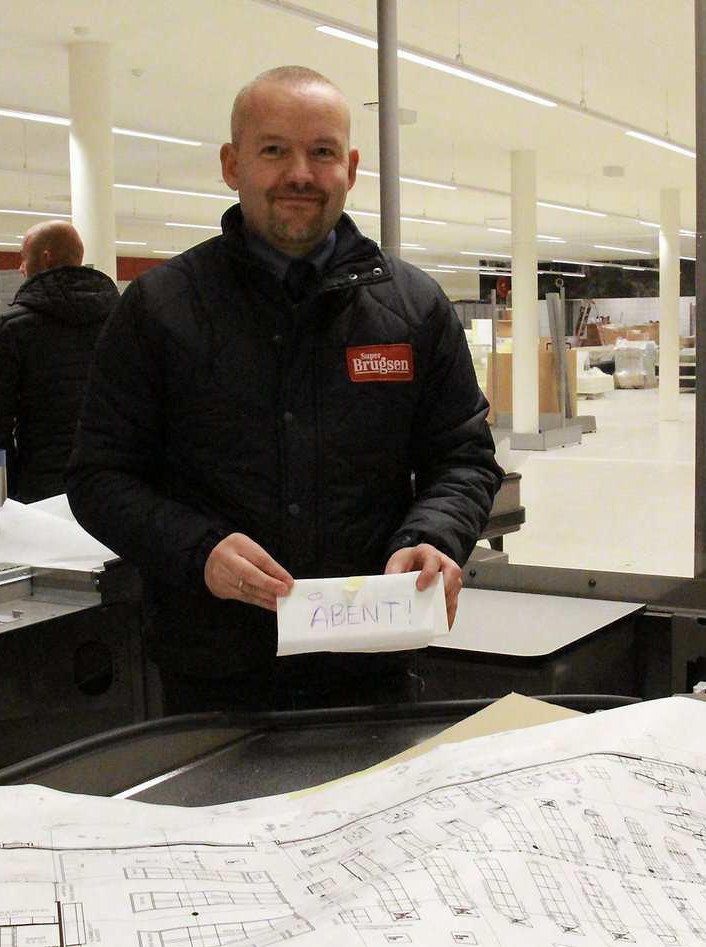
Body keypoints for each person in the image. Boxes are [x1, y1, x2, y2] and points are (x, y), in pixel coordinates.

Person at [67, 65, 502, 715]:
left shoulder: (412, 309)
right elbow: (100, 477)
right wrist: (199, 551)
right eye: (274, 149)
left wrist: (436, 535)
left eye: (322, 151)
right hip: (213, 675)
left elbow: (462, 456)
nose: (300, 173)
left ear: (350, 168)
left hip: (373, 667)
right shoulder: (161, 309)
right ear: (231, 164)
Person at [0, 220, 119, 503]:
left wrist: (13, 486)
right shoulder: (120, 318)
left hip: (42, 485)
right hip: (111, 478)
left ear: (45, 258)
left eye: (23, 257)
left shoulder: (12, 327)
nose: (21, 268)